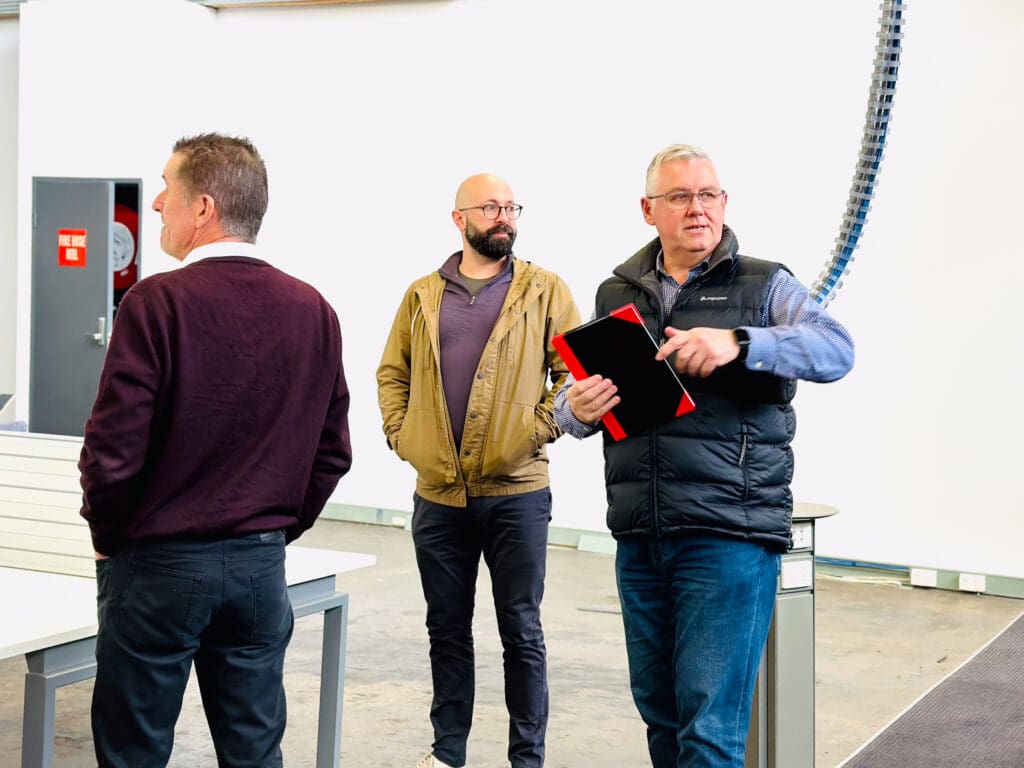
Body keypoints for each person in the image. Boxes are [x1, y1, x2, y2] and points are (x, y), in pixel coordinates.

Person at [554, 144, 854, 768]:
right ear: (648, 210)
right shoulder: (617, 292)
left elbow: (835, 350)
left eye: (708, 194)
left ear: (724, 203)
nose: (698, 208)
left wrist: (740, 342)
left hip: (729, 533)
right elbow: (591, 398)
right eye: (680, 196)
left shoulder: (763, 282)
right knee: (660, 716)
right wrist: (573, 411)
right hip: (641, 534)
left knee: (709, 729)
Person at [79, 132, 353, 768]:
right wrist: (272, 532)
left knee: (133, 751)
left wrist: (107, 532)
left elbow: (113, 447)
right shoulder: (313, 309)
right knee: (255, 752)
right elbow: (332, 450)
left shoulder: (155, 303)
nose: (155, 208)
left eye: (166, 193)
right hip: (259, 572)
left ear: (203, 207)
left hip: (159, 568)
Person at [377, 173, 581, 768]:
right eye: (490, 207)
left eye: (511, 207)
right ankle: (448, 754)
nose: (504, 217)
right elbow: (392, 373)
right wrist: (401, 435)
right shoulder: (421, 295)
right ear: (458, 218)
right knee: (446, 629)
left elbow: (574, 373)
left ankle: (527, 759)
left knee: (521, 632)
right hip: (438, 494)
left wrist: (537, 429)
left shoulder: (545, 291)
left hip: (517, 493)